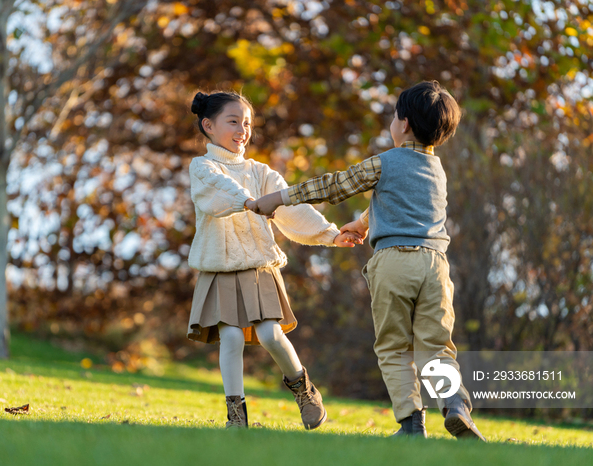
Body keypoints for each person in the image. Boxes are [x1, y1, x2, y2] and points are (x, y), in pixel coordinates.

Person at [248, 81, 486, 441]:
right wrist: (361, 223)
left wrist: (277, 199)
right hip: (435, 265)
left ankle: (411, 424)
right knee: (436, 346)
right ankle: (454, 404)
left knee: (394, 346)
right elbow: (402, 203)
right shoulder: (436, 171)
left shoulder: (385, 162)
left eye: (393, 116)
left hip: (393, 263)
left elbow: (334, 186)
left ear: (403, 123)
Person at [187, 90, 360, 429]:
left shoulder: (260, 171)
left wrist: (330, 234)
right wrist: (248, 201)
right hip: (220, 267)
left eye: (247, 123)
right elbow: (217, 190)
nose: (243, 129)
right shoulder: (202, 167)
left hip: (258, 266)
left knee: (269, 334)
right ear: (208, 125)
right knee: (232, 338)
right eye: (233, 121)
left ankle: (304, 391)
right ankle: (236, 414)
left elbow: (291, 208)